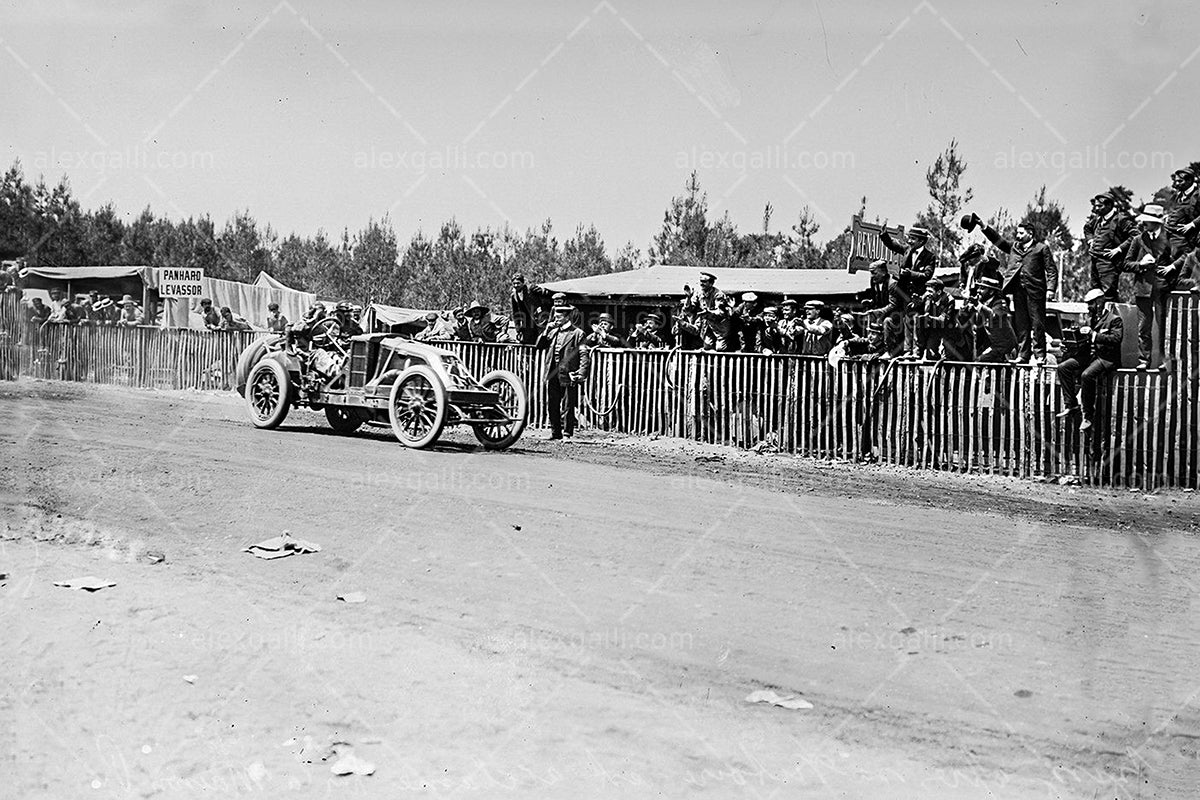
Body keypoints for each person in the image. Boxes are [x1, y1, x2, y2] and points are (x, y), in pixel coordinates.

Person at [971, 214, 1058, 364]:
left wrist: (1050, 289)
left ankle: (1039, 356)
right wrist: (983, 227)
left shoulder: (1041, 248)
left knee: (1037, 324)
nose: (1017, 236)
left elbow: (1051, 270)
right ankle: (1023, 355)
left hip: (1035, 291)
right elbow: (998, 241)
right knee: (1021, 324)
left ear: (1030, 234)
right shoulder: (1014, 248)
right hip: (1018, 291)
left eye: (1021, 233)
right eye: (1017, 233)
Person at [1122, 203, 1183, 370]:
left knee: (1164, 327)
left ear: (1157, 222)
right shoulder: (1138, 240)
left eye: (1147, 222)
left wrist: (1172, 267)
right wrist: (1140, 264)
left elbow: (1183, 256)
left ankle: (1165, 361)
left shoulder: (1169, 238)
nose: (1144, 224)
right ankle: (1143, 361)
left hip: (1162, 289)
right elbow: (1125, 264)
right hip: (1142, 290)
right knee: (1143, 328)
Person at [1056, 288, 1123, 432]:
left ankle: (1087, 416)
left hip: (1106, 358)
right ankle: (1071, 404)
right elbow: (1084, 342)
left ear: (1099, 302)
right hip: (1090, 357)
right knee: (1063, 367)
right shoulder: (1089, 319)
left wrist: (1094, 335)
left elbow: (1116, 339)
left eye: (1091, 304)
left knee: (1086, 375)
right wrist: (1070, 343)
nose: (1089, 307)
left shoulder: (1114, 320)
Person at [879, 224, 936, 357]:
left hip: (918, 295)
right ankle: (907, 351)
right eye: (909, 238)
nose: (909, 241)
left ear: (921, 241)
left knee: (916, 322)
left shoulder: (930, 256)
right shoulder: (907, 250)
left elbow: (927, 275)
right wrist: (884, 235)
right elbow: (893, 244)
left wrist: (910, 274)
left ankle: (916, 350)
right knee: (906, 321)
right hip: (905, 294)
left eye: (913, 239)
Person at [536, 299, 590, 440]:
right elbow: (539, 346)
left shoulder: (578, 333)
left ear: (567, 317)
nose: (556, 318)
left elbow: (584, 355)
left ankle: (567, 433)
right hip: (552, 372)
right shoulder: (552, 332)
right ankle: (555, 432)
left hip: (568, 373)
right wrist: (546, 330)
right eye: (555, 316)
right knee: (552, 404)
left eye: (559, 316)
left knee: (568, 405)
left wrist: (581, 373)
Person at [1082, 189, 1135, 302]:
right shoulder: (1097, 220)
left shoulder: (1120, 219)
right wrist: (1091, 241)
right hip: (1095, 261)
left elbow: (1135, 235)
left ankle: (1112, 319)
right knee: (1095, 293)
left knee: (1109, 294)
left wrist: (1118, 249)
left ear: (1109, 205)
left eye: (1099, 206)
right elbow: (1087, 228)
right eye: (1095, 206)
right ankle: (1097, 318)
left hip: (1109, 263)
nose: (1096, 209)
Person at [681, 272, 735, 351]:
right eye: (700, 281)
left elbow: (721, 313)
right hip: (707, 326)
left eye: (704, 282)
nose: (701, 284)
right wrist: (688, 298)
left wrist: (708, 312)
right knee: (707, 346)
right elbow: (689, 309)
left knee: (720, 348)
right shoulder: (698, 293)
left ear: (711, 283)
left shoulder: (718, 294)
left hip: (720, 326)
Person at [969, 276, 1017, 363]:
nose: (978, 291)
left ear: (991, 292)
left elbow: (993, 315)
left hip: (1004, 346)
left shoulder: (1000, 303)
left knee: (980, 361)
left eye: (982, 288)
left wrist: (978, 304)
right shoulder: (983, 303)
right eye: (978, 288)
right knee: (980, 361)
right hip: (993, 344)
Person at [914, 277, 952, 360]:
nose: (927, 293)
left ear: (939, 292)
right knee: (916, 318)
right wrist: (915, 304)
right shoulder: (927, 297)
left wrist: (929, 318)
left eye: (930, 291)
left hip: (944, 329)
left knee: (931, 356)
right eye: (927, 290)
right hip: (930, 327)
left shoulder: (948, 300)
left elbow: (943, 321)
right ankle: (918, 349)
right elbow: (915, 310)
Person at [509, 273, 552, 345]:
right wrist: (518, 328)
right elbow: (515, 313)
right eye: (514, 284)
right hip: (527, 322)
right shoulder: (514, 296)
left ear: (523, 283)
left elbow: (546, 294)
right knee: (527, 340)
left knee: (542, 339)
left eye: (518, 283)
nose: (516, 285)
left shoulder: (531, 289)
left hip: (539, 318)